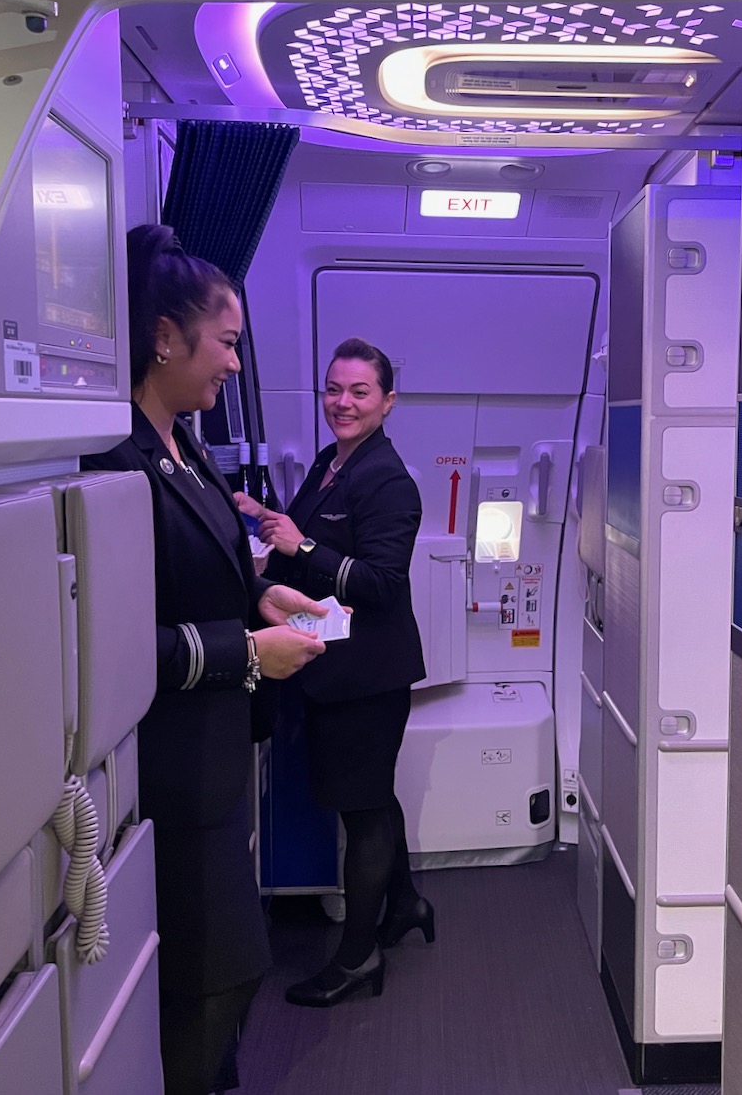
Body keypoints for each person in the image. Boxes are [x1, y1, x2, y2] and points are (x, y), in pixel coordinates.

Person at [82, 224, 328, 1095]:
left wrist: (262, 598)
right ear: (162, 338)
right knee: (219, 974)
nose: (232, 364)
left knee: (214, 979)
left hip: (217, 761)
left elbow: (200, 581)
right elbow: (114, 648)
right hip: (172, 772)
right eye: (224, 343)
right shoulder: (116, 461)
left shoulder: (188, 451)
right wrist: (249, 652)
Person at [238, 337, 431, 1008]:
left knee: (365, 812)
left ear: (387, 402)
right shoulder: (330, 462)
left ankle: (358, 956)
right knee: (372, 794)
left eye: (357, 392)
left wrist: (302, 545)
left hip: (368, 676)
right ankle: (405, 902)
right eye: (333, 389)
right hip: (339, 666)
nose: (341, 403)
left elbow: (378, 583)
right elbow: (302, 544)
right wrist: (267, 535)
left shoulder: (388, 480)